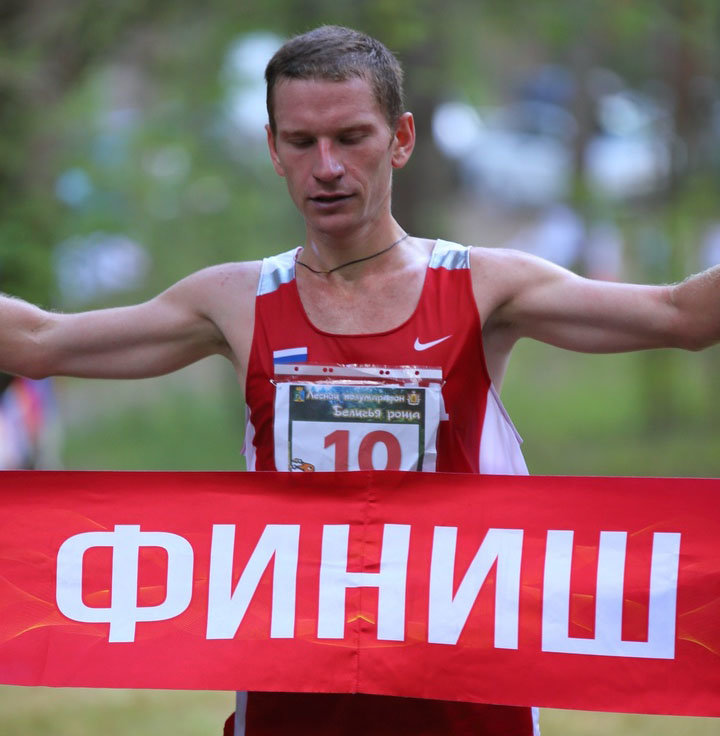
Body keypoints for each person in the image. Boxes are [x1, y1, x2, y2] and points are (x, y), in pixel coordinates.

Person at [1, 24, 719, 736]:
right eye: (301, 142)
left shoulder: (482, 286)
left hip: (465, 700)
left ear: (400, 139)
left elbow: (681, 316)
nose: (327, 167)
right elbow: (37, 343)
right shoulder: (235, 301)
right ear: (272, 150)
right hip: (294, 702)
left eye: (351, 138)